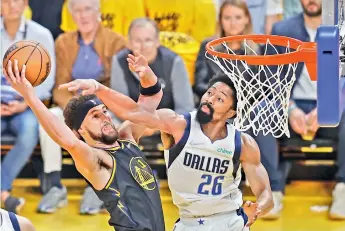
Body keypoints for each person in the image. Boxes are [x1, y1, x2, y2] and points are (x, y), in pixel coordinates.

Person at [61, 71, 274, 229]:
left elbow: (266, 194)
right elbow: (136, 112)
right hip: (189, 223)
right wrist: (100, 89)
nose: (209, 98)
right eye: (209, 92)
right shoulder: (177, 125)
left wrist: (257, 209)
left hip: (230, 221)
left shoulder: (243, 143)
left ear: (231, 113)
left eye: (220, 99)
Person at [3, 54, 165, 231]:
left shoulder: (127, 137)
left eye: (104, 111)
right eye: (95, 116)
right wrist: (30, 97)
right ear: (80, 130)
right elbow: (66, 140)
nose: (105, 118)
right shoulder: (96, 160)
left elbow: (151, 99)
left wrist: (146, 74)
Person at [258, 0, 345, 220]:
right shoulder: (282, 30)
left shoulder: (341, 30)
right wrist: (290, 108)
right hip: (292, 106)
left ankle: (343, 189)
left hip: (333, 108)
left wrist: (328, 106)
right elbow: (270, 79)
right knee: (262, 109)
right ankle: (273, 190)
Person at [37, 0, 126, 214]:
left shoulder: (117, 42)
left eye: (87, 9)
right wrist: (75, 112)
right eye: (77, 11)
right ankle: (55, 185)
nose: (83, 15)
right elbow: (59, 87)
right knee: (49, 119)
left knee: (106, 123)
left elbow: (118, 87)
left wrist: (92, 110)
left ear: (98, 13)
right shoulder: (63, 42)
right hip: (72, 107)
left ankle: (97, 187)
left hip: (104, 106)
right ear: (71, 15)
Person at [1, 0, 55, 213]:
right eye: (6, 0)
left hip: (26, 105)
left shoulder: (41, 35)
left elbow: (49, 81)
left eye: (17, 0)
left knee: (29, 132)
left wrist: (25, 103)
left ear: (25, 3)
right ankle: (4, 194)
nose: (12, 5)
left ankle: (2, 190)